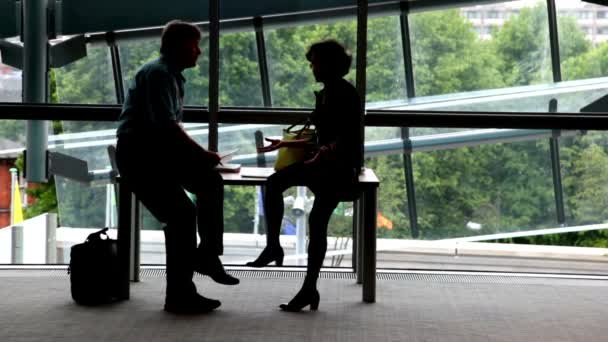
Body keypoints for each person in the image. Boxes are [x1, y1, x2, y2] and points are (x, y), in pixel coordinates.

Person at [115, 20, 239, 314]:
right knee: (183, 215)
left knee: (209, 183)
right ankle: (181, 293)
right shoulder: (159, 76)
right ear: (180, 46)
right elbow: (166, 127)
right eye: (195, 45)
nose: (199, 52)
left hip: (152, 153)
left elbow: (165, 130)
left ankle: (207, 255)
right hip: (141, 157)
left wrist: (200, 158)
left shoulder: (167, 75)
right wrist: (202, 155)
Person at [247, 39, 362, 312]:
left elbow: (347, 136)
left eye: (315, 62)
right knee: (281, 190)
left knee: (312, 216)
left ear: (329, 64)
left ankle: (299, 276)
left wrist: (324, 151)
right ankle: (294, 271)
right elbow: (322, 138)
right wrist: (285, 144)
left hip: (336, 169)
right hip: (324, 164)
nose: (312, 67)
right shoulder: (332, 91)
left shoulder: (343, 94)